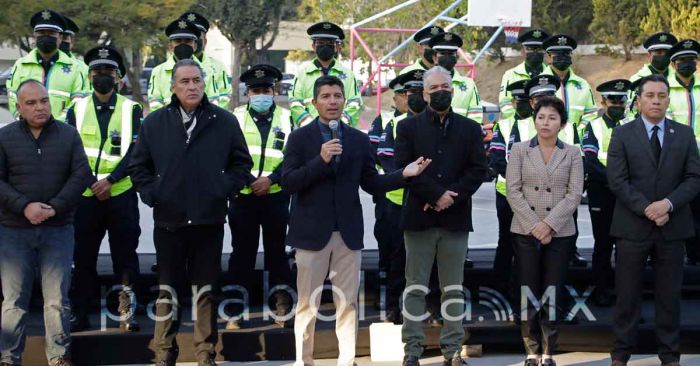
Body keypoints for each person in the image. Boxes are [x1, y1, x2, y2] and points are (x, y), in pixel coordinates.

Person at [282, 75, 430, 366]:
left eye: (337, 96)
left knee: (347, 303)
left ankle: (347, 360)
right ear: (315, 102)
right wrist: (320, 160)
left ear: (344, 101)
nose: (332, 101)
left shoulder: (359, 140)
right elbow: (288, 182)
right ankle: (303, 360)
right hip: (311, 234)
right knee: (306, 304)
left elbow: (371, 183)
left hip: (347, 233)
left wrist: (404, 175)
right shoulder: (300, 138)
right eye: (325, 96)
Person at [129, 59, 253, 366]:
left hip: (208, 221)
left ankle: (204, 354)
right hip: (168, 222)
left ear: (204, 84)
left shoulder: (223, 121)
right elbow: (138, 167)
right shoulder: (155, 122)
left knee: (206, 293)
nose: (192, 86)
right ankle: (164, 353)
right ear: (172, 87)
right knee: (167, 291)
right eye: (184, 81)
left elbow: (242, 164)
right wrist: (154, 194)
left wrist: (222, 189)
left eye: (197, 80)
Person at [395, 66, 488, 366]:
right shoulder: (407, 128)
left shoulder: (471, 129)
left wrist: (450, 197)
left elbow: (477, 171)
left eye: (445, 86)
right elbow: (404, 169)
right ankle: (412, 350)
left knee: (453, 289)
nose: (440, 92)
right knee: (415, 287)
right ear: (424, 93)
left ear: (453, 88)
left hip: (455, 218)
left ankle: (452, 351)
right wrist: (435, 195)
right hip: (419, 218)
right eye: (433, 88)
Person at [607, 74, 700, 366]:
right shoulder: (622, 134)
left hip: (672, 228)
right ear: (638, 101)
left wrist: (667, 205)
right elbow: (617, 180)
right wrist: (648, 208)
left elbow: (694, 178)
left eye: (662, 95)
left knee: (669, 297)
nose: (656, 101)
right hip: (632, 228)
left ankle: (670, 356)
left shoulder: (684, 134)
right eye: (650, 96)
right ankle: (620, 355)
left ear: (668, 100)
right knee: (627, 296)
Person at [0, 80, 91, 366]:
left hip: (58, 229)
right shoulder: (4, 138)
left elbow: (81, 176)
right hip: (14, 231)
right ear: (19, 107)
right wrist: (24, 206)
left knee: (56, 301)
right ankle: (8, 357)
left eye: (43, 101)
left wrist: (53, 208)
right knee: (14, 303)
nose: (39, 107)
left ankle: (59, 357)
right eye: (31, 103)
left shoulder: (68, 135)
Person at [65, 46, 142, 332]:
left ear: (118, 77)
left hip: (120, 193)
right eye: (97, 72)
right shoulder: (77, 108)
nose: (102, 77)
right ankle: (79, 312)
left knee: (125, 257)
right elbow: (72, 151)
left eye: (108, 72)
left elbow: (135, 151)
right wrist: (91, 183)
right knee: (82, 257)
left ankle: (127, 311)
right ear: (89, 76)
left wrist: (109, 181)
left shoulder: (131, 108)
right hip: (85, 196)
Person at [506, 96, 583, 366]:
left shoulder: (572, 153)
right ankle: (531, 350)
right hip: (525, 231)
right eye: (541, 117)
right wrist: (535, 225)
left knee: (553, 290)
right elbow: (512, 191)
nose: (545, 122)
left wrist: (549, 225)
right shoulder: (518, 150)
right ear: (534, 119)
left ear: (562, 123)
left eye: (552, 118)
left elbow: (574, 195)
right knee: (528, 290)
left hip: (560, 232)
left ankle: (549, 351)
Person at [225, 64, 293, 330]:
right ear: (247, 93)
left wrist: (271, 180)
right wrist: (250, 181)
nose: (261, 94)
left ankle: (282, 309)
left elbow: (292, 157)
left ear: (274, 91)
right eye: (256, 90)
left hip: (275, 196)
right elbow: (228, 156)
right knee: (241, 255)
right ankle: (234, 311)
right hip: (244, 197)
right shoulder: (235, 118)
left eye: (266, 89)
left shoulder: (287, 119)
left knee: (277, 255)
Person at [376, 70, 427, 323]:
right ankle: (393, 308)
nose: (415, 96)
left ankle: (428, 307)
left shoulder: (437, 122)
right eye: (411, 92)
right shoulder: (393, 124)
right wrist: (409, 177)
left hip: (428, 202)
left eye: (420, 92)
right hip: (399, 201)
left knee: (429, 259)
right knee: (398, 259)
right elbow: (385, 158)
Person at [580, 79, 631, 307]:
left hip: (627, 196)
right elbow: (590, 162)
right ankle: (601, 290)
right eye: (613, 100)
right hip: (602, 192)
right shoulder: (592, 127)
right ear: (603, 101)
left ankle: (624, 294)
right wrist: (617, 181)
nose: (618, 104)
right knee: (602, 244)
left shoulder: (634, 125)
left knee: (625, 247)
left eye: (622, 100)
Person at [489, 80, 533, 304]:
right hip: (506, 194)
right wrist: (519, 183)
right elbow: (497, 159)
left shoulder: (540, 125)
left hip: (533, 197)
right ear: (513, 102)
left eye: (527, 101)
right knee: (506, 242)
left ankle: (521, 293)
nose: (522, 105)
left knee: (527, 245)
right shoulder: (504, 126)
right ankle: (499, 289)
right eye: (519, 101)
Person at [7, 9, 87, 120]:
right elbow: (12, 96)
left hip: (61, 132)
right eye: (41, 33)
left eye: (51, 33)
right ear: (35, 35)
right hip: (26, 130)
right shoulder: (20, 65)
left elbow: (78, 100)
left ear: (60, 37)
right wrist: (25, 122)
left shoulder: (75, 67)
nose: (46, 36)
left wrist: (57, 126)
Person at [666, 39, 700, 266]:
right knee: (678, 210)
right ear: (673, 64)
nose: (688, 64)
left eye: (692, 60)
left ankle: (696, 257)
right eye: (682, 61)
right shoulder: (664, 89)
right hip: (675, 160)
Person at [289, 22, 362, 127]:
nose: (325, 46)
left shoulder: (348, 75)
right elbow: (295, 103)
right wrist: (312, 127)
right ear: (313, 46)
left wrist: (338, 126)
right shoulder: (302, 74)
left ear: (336, 47)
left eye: (329, 43)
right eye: (321, 43)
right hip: (310, 134)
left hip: (340, 133)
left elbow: (355, 103)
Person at [147, 18, 218, 113]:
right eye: (178, 41)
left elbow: (213, 102)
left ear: (195, 46)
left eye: (188, 41)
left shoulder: (208, 70)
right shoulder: (158, 72)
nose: (183, 45)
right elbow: (154, 103)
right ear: (170, 46)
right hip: (168, 124)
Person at [541, 34, 596, 135]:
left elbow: (591, 114)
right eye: (557, 54)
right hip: (546, 141)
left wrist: (577, 133)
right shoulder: (538, 84)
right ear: (549, 57)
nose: (562, 57)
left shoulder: (583, 84)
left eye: (566, 53)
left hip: (576, 143)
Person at [426, 31, 483, 124]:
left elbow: (476, 117)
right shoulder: (423, 83)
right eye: (443, 53)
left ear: (456, 58)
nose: (447, 57)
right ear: (435, 58)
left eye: (451, 53)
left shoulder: (469, 84)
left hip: (461, 136)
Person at [180, 11, 232, 109]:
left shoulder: (218, 67)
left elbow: (225, 97)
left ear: (205, 40)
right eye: (189, 37)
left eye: (197, 35)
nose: (193, 40)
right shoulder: (166, 68)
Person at [498, 29, 550, 119]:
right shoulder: (510, 74)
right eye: (530, 48)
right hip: (517, 125)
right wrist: (522, 122)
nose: (535, 52)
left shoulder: (551, 75)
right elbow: (505, 103)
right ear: (523, 51)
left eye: (539, 49)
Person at [628, 32, 678, 119]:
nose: (663, 56)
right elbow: (631, 113)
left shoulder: (679, 80)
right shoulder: (636, 80)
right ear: (649, 55)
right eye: (658, 52)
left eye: (666, 53)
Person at [58, 15, 90, 79]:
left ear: (72, 42)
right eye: (58, 38)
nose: (60, 41)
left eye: (64, 38)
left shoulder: (83, 69)